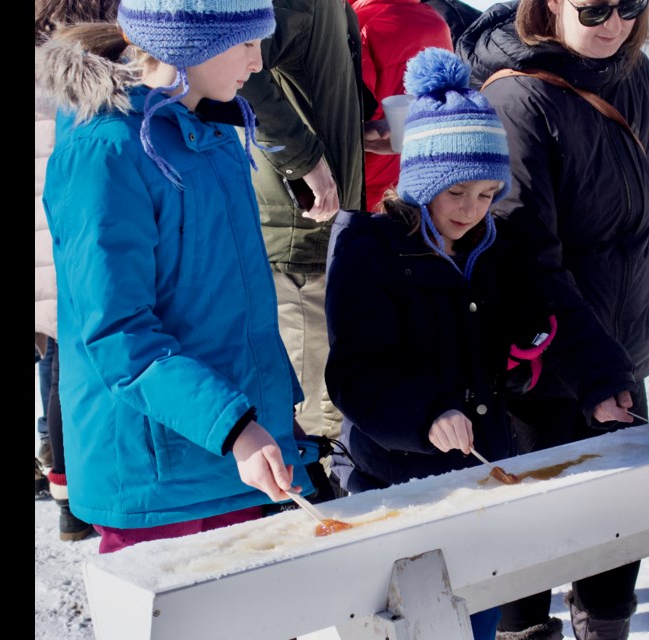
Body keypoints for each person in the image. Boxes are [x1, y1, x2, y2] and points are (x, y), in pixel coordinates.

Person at [325, 47, 638, 640]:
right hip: (397, 483)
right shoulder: (372, 250)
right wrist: (426, 414)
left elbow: (556, 309)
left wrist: (600, 381)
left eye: (489, 193)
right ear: (421, 181)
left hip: (481, 473)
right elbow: (357, 373)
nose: (473, 210)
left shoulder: (498, 243)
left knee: (480, 612)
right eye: (458, 192)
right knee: (416, 622)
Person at [37, 0, 317, 554]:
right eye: (246, 43)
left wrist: (273, 412)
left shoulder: (207, 132)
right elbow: (117, 331)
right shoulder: (106, 150)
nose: (258, 63)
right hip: (161, 473)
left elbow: (232, 301)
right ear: (191, 43)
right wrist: (232, 425)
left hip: (229, 455)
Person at [457, 1, 649, 638]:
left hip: (623, 347)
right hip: (544, 367)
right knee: (528, 545)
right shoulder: (519, 99)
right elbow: (527, 255)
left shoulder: (631, 72)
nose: (612, 22)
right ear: (551, 3)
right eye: (593, 8)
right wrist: (592, 364)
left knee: (617, 531)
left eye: (629, 5)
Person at [237, 0, 367, 489]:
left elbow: (308, 81)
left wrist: (357, 128)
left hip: (323, 228)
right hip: (299, 232)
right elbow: (241, 71)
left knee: (329, 407)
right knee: (311, 421)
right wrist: (304, 158)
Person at [35, 0, 122, 539]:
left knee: (57, 344)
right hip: (75, 206)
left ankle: (65, 494)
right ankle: (81, 493)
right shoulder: (97, 39)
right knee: (85, 350)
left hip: (42, 212)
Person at [352, 0, 454, 211]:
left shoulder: (358, 23)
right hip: (414, 190)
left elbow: (340, 117)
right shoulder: (438, 24)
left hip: (356, 194)